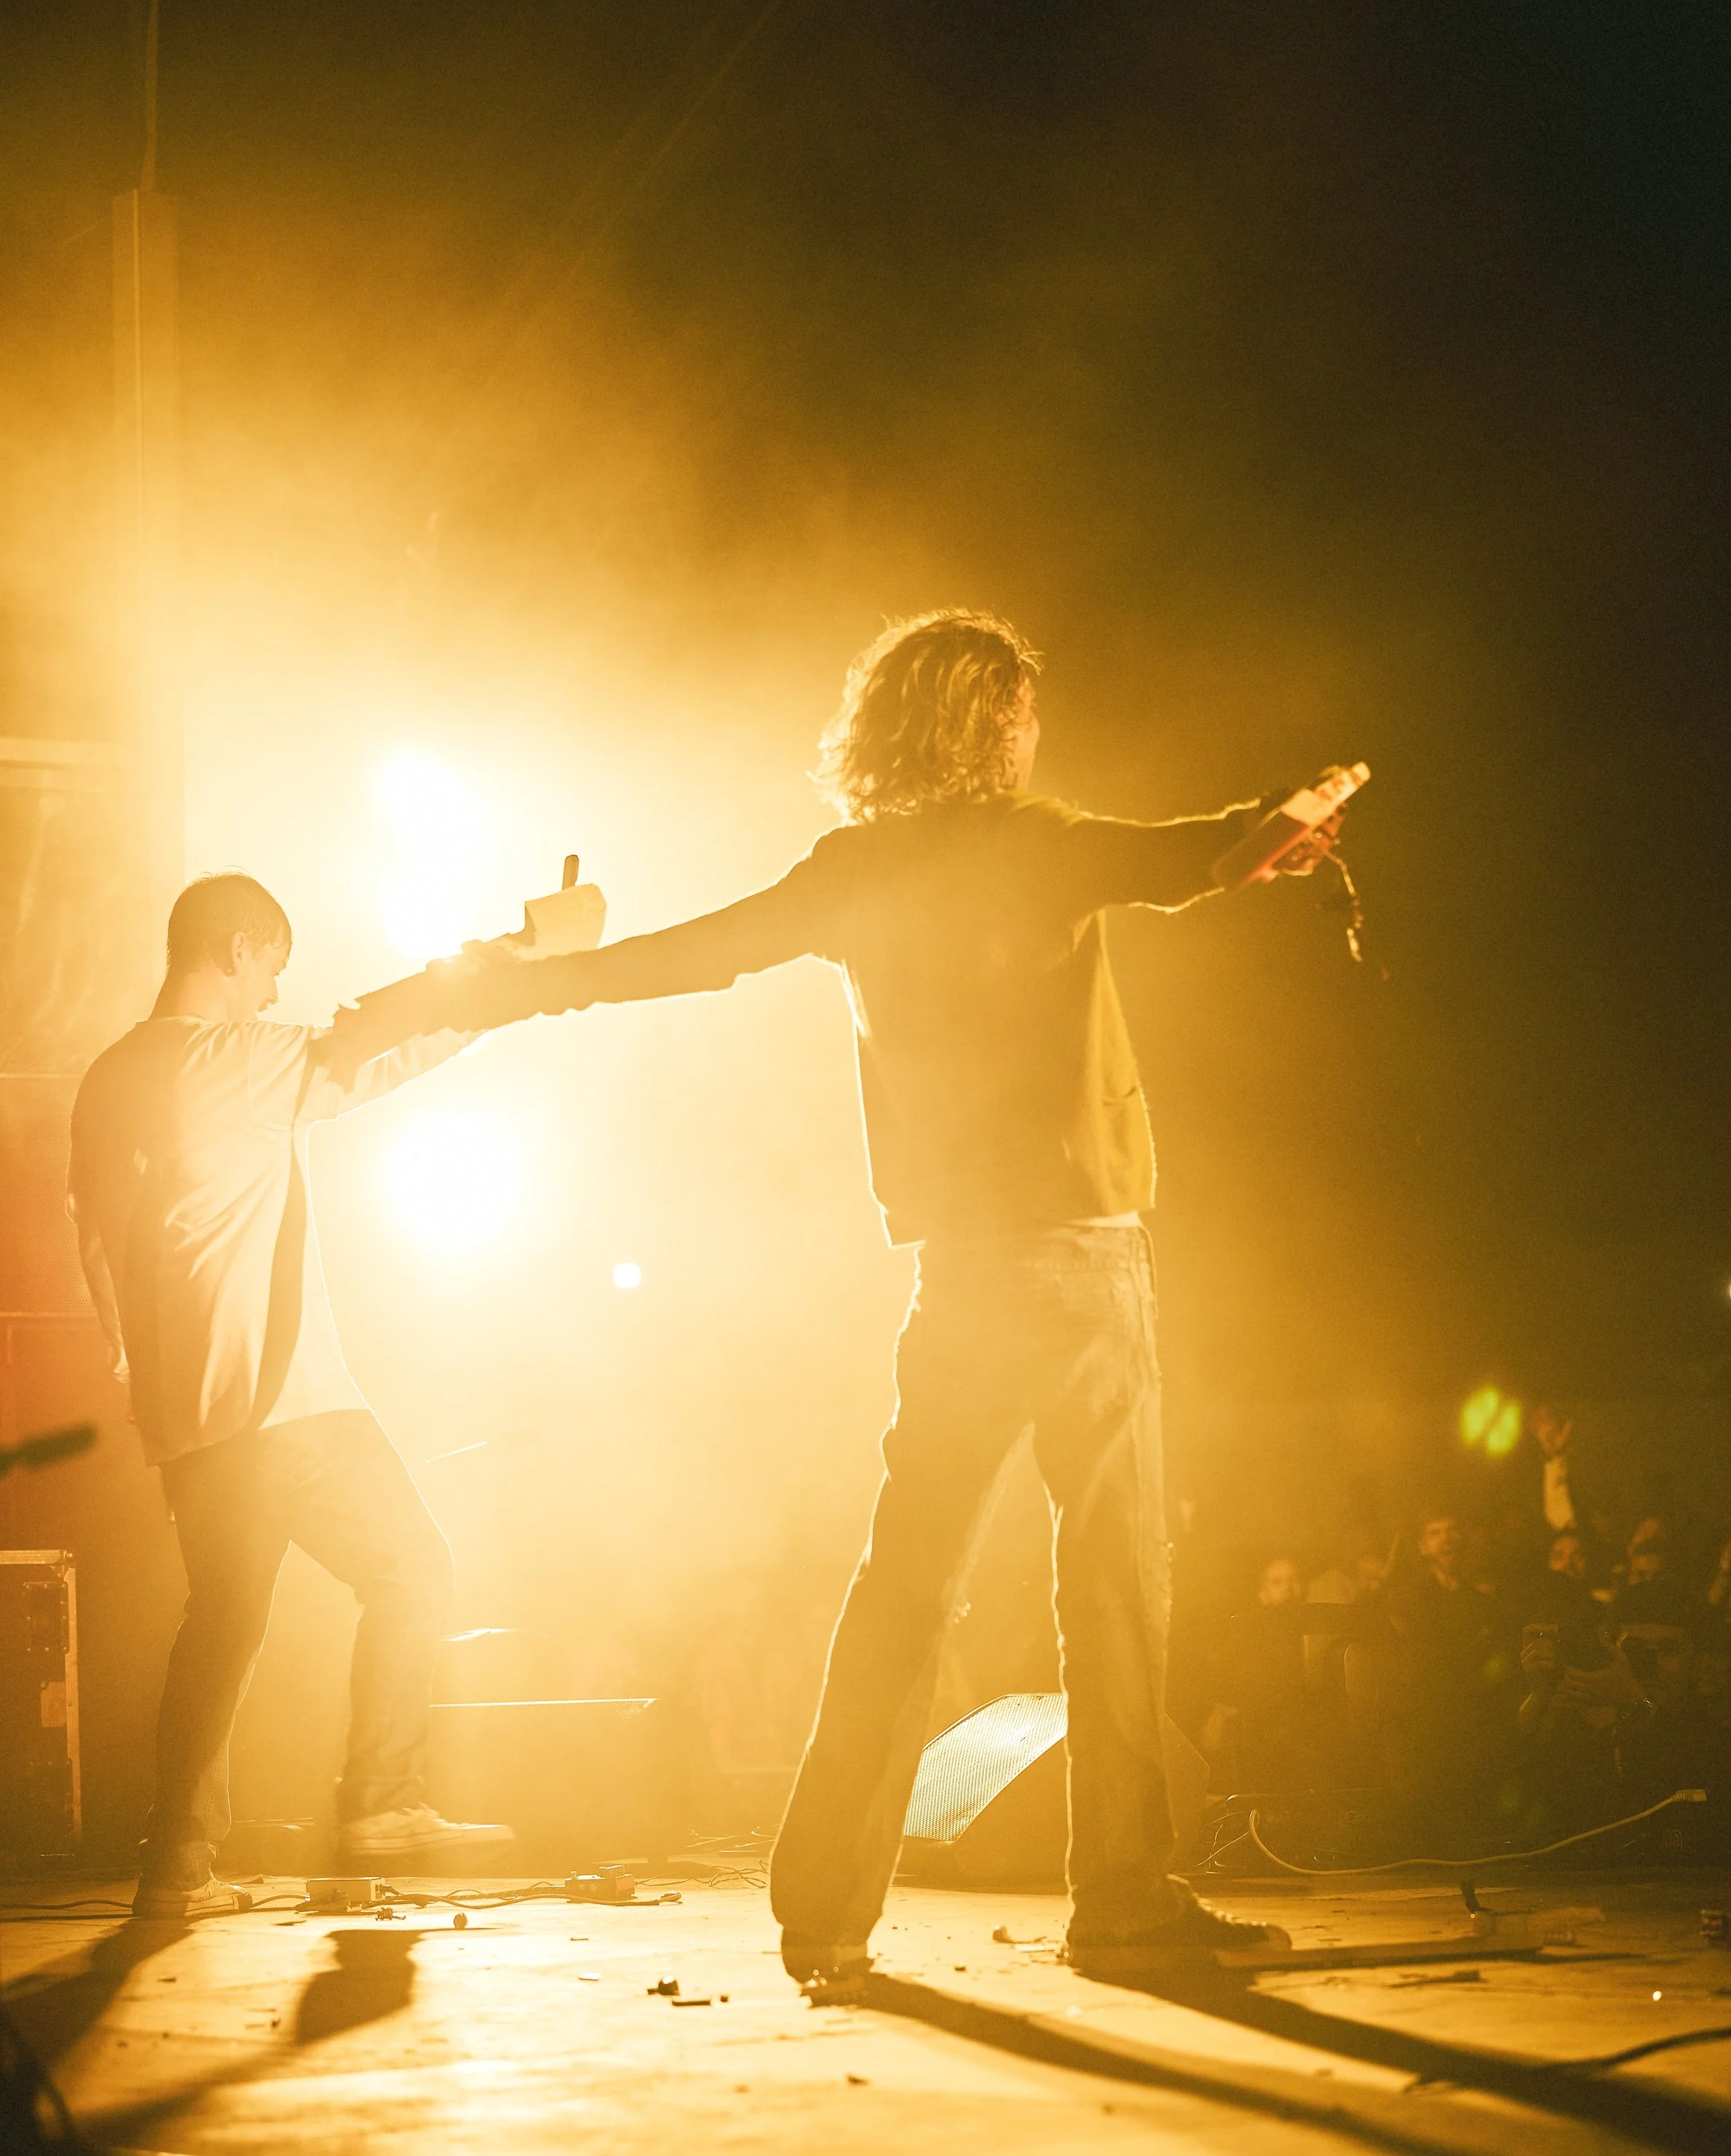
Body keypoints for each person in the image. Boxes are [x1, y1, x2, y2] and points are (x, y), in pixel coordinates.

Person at [392, 608, 1347, 1980]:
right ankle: (1125, 1901)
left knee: (905, 1585)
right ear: (994, 724)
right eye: (1019, 713)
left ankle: (822, 1908)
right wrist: (1290, 818)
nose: (1032, 733)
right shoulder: (1038, 845)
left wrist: (527, 983)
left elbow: (690, 956)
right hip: (1079, 1261)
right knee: (1115, 1586)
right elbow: (1190, 858)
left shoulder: (855, 872)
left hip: (958, 1272)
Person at [68, 873, 513, 1917]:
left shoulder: (108, 1078)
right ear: (236, 947)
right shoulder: (227, 1061)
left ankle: (173, 1863)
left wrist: (144, 1387)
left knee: (222, 1621)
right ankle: (383, 1801)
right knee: (413, 1571)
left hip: (188, 1419)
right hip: (283, 1407)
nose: (274, 991)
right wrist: (515, 961)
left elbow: (95, 1246)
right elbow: (377, 1046)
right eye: (271, 965)